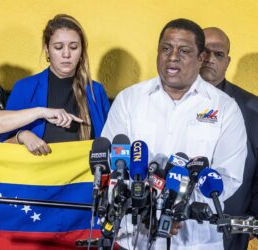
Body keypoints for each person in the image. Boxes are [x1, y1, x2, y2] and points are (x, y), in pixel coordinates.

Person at [102, 19, 247, 249]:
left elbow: (228, 176)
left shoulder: (225, 108)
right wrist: (147, 207)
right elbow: (114, 163)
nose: (172, 57)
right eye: (166, 48)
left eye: (184, 51)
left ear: (201, 58)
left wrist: (176, 210)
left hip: (195, 240)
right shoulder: (129, 100)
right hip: (134, 238)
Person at [0, 14, 110, 155]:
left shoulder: (96, 91)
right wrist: (22, 136)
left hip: (86, 177)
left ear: (82, 51)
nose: (66, 54)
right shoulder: (25, 88)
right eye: (58, 47)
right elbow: (2, 144)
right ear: (47, 49)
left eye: (74, 47)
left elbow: (109, 142)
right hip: (37, 175)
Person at [200, 27, 258, 250]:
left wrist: (251, 220)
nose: (210, 59)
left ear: (228, 61)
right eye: (204, 52)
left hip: (232, 229)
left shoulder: (253, 108)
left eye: (219, 54)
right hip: (178, 227)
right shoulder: (168, 101)